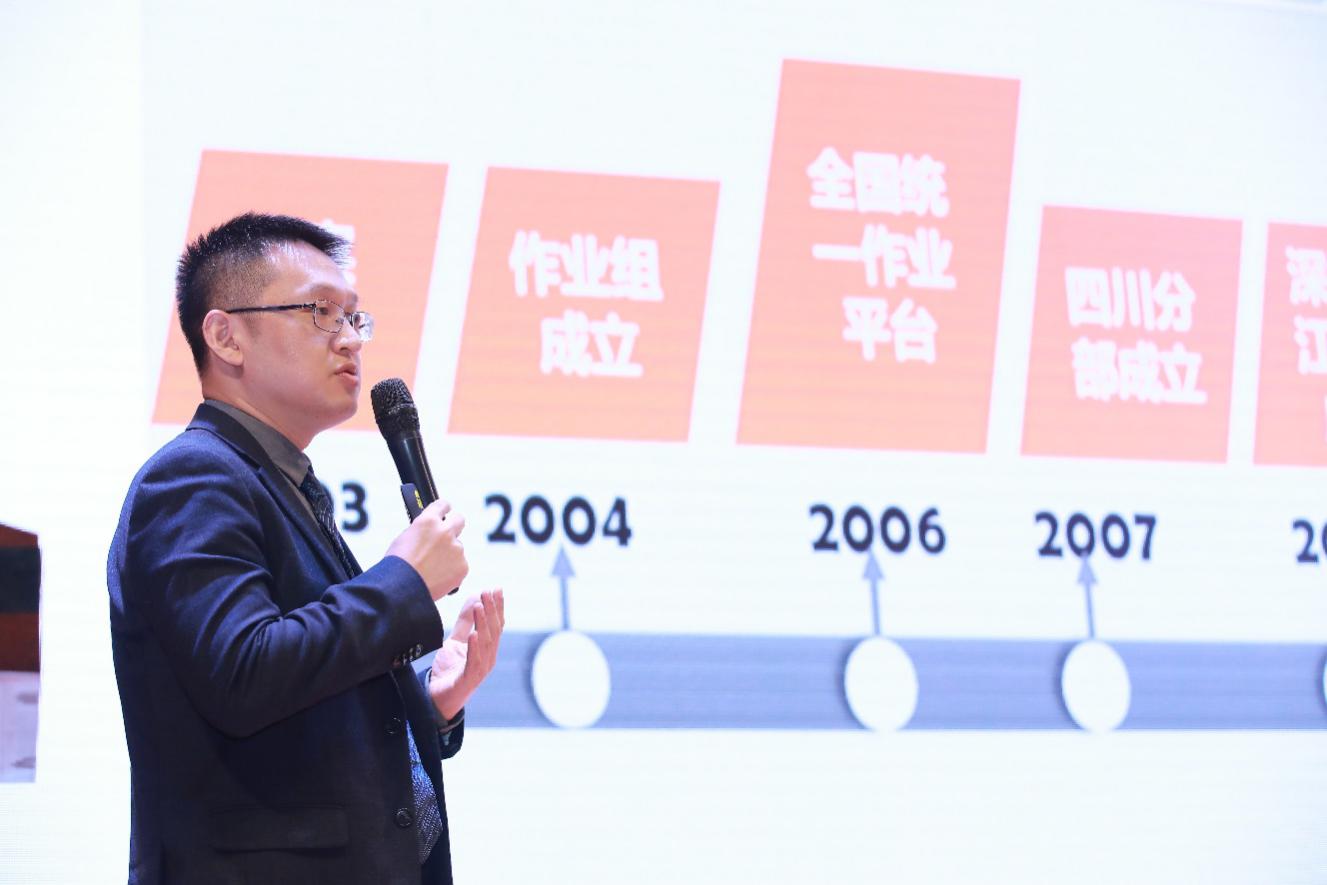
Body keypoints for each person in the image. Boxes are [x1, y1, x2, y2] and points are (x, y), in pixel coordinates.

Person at [107, 212, 503, 885]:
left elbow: (299, 710)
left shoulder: (282, 484)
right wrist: (402, 580)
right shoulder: (193, 478)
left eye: (353, 317)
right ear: (225, 336)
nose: (349, 338)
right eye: (320, 312)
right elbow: (243, 673)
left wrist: (428, 704)